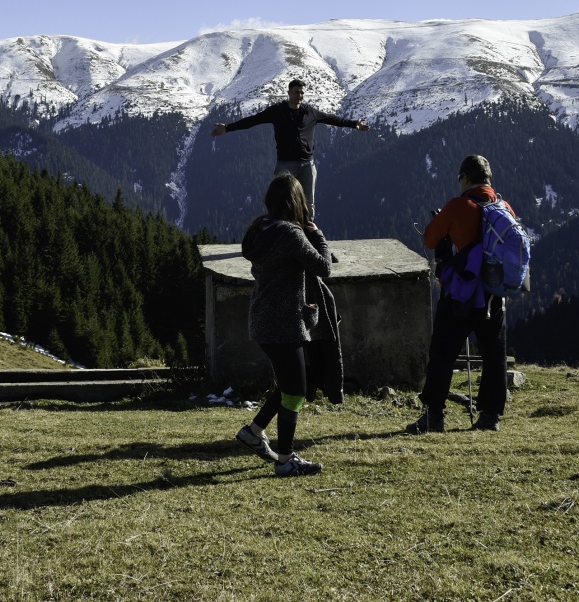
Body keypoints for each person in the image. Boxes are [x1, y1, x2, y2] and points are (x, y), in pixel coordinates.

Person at [234, 172, 335, 477]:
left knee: (291, 385)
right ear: (296, 202)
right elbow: (324, 267)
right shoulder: (291, 234)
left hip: (263, 320)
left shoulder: (261, 231)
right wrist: (317, 235)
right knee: (296, 391)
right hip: (284, 325)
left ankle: (253, 432)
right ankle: (285, 459)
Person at [407, 154, 512, 434]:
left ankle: (434, 416)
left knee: (442, 352)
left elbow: (430, 239)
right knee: (494, 356)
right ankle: (490, 417)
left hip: (461, 295)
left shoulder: (457, 206)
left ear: (466, 178)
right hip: (494, 295)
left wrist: (446, 225)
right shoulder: (505, 209)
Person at [211, 79, 369, 221]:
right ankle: (278, 233)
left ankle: (308, 233)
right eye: (296, 92)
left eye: (302, 92)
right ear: (288, 93)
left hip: (308, 164)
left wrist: (354, 124)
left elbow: (332, 119)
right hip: (285, 165)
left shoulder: (310, 112)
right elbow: (254, 120)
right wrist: (228, 128)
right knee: (279, 199)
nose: (299, 95)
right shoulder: (277, 111)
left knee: (308, 201)